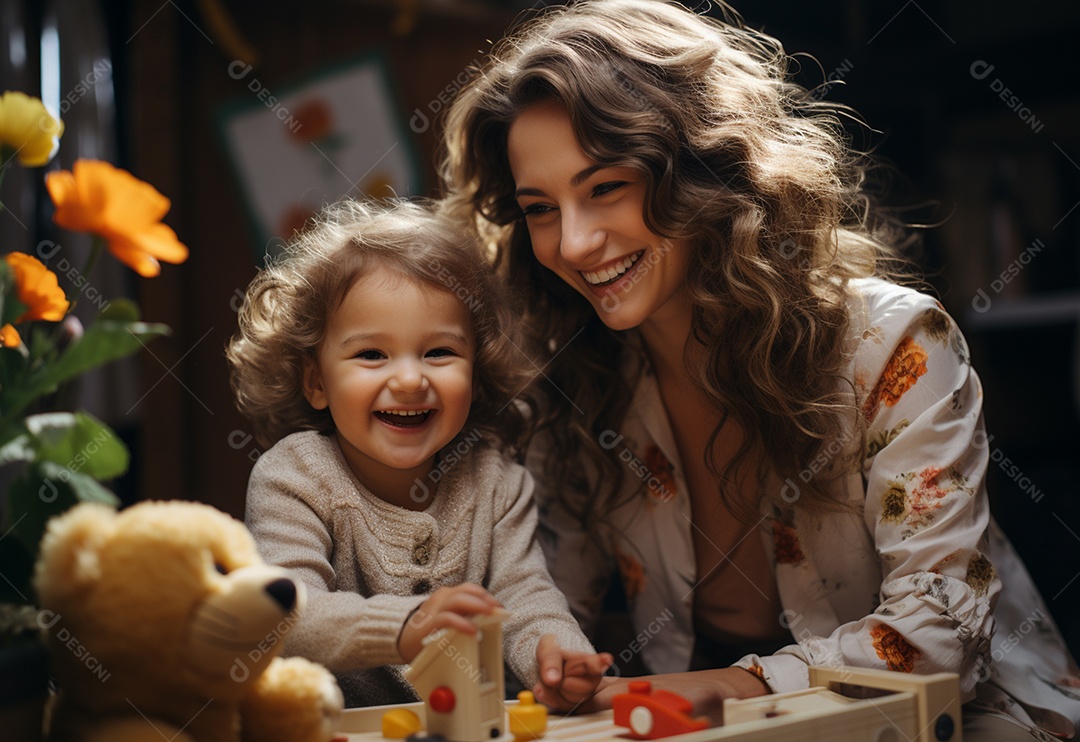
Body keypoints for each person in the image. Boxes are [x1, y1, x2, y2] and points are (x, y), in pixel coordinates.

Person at [438, 0, 1080, 738]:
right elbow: (551, 605)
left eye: (606, 187)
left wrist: (719, 686)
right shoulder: (578, 376)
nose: (575, 243)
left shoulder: (895, 343)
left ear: (702, 165)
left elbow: (933, 639)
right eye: (541, 209)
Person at [226, 198, 611, 709]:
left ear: (477, 374)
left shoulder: (499, 482)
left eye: (440, 352)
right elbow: (287, 614)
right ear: (316, 381)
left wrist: (559, 656)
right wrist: (405, 626)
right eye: (371, 354)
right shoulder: (293, 476)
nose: (410, 380)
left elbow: (528, 599)